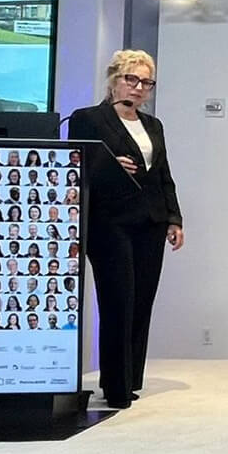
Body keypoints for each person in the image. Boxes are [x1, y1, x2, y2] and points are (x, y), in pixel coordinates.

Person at [67, 49, 184, 409]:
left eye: (146, 83)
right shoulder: (88, 118)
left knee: (141, 302)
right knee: (118, 300)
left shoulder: (153, 125)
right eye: (131, 80)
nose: (138, 89)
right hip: (110, 222)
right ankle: (114, 385)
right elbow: (77, 165)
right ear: (114, 79)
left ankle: (131, 377)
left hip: (150, 221)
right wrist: (109, 164)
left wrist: (174, 218)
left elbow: (163, 174)